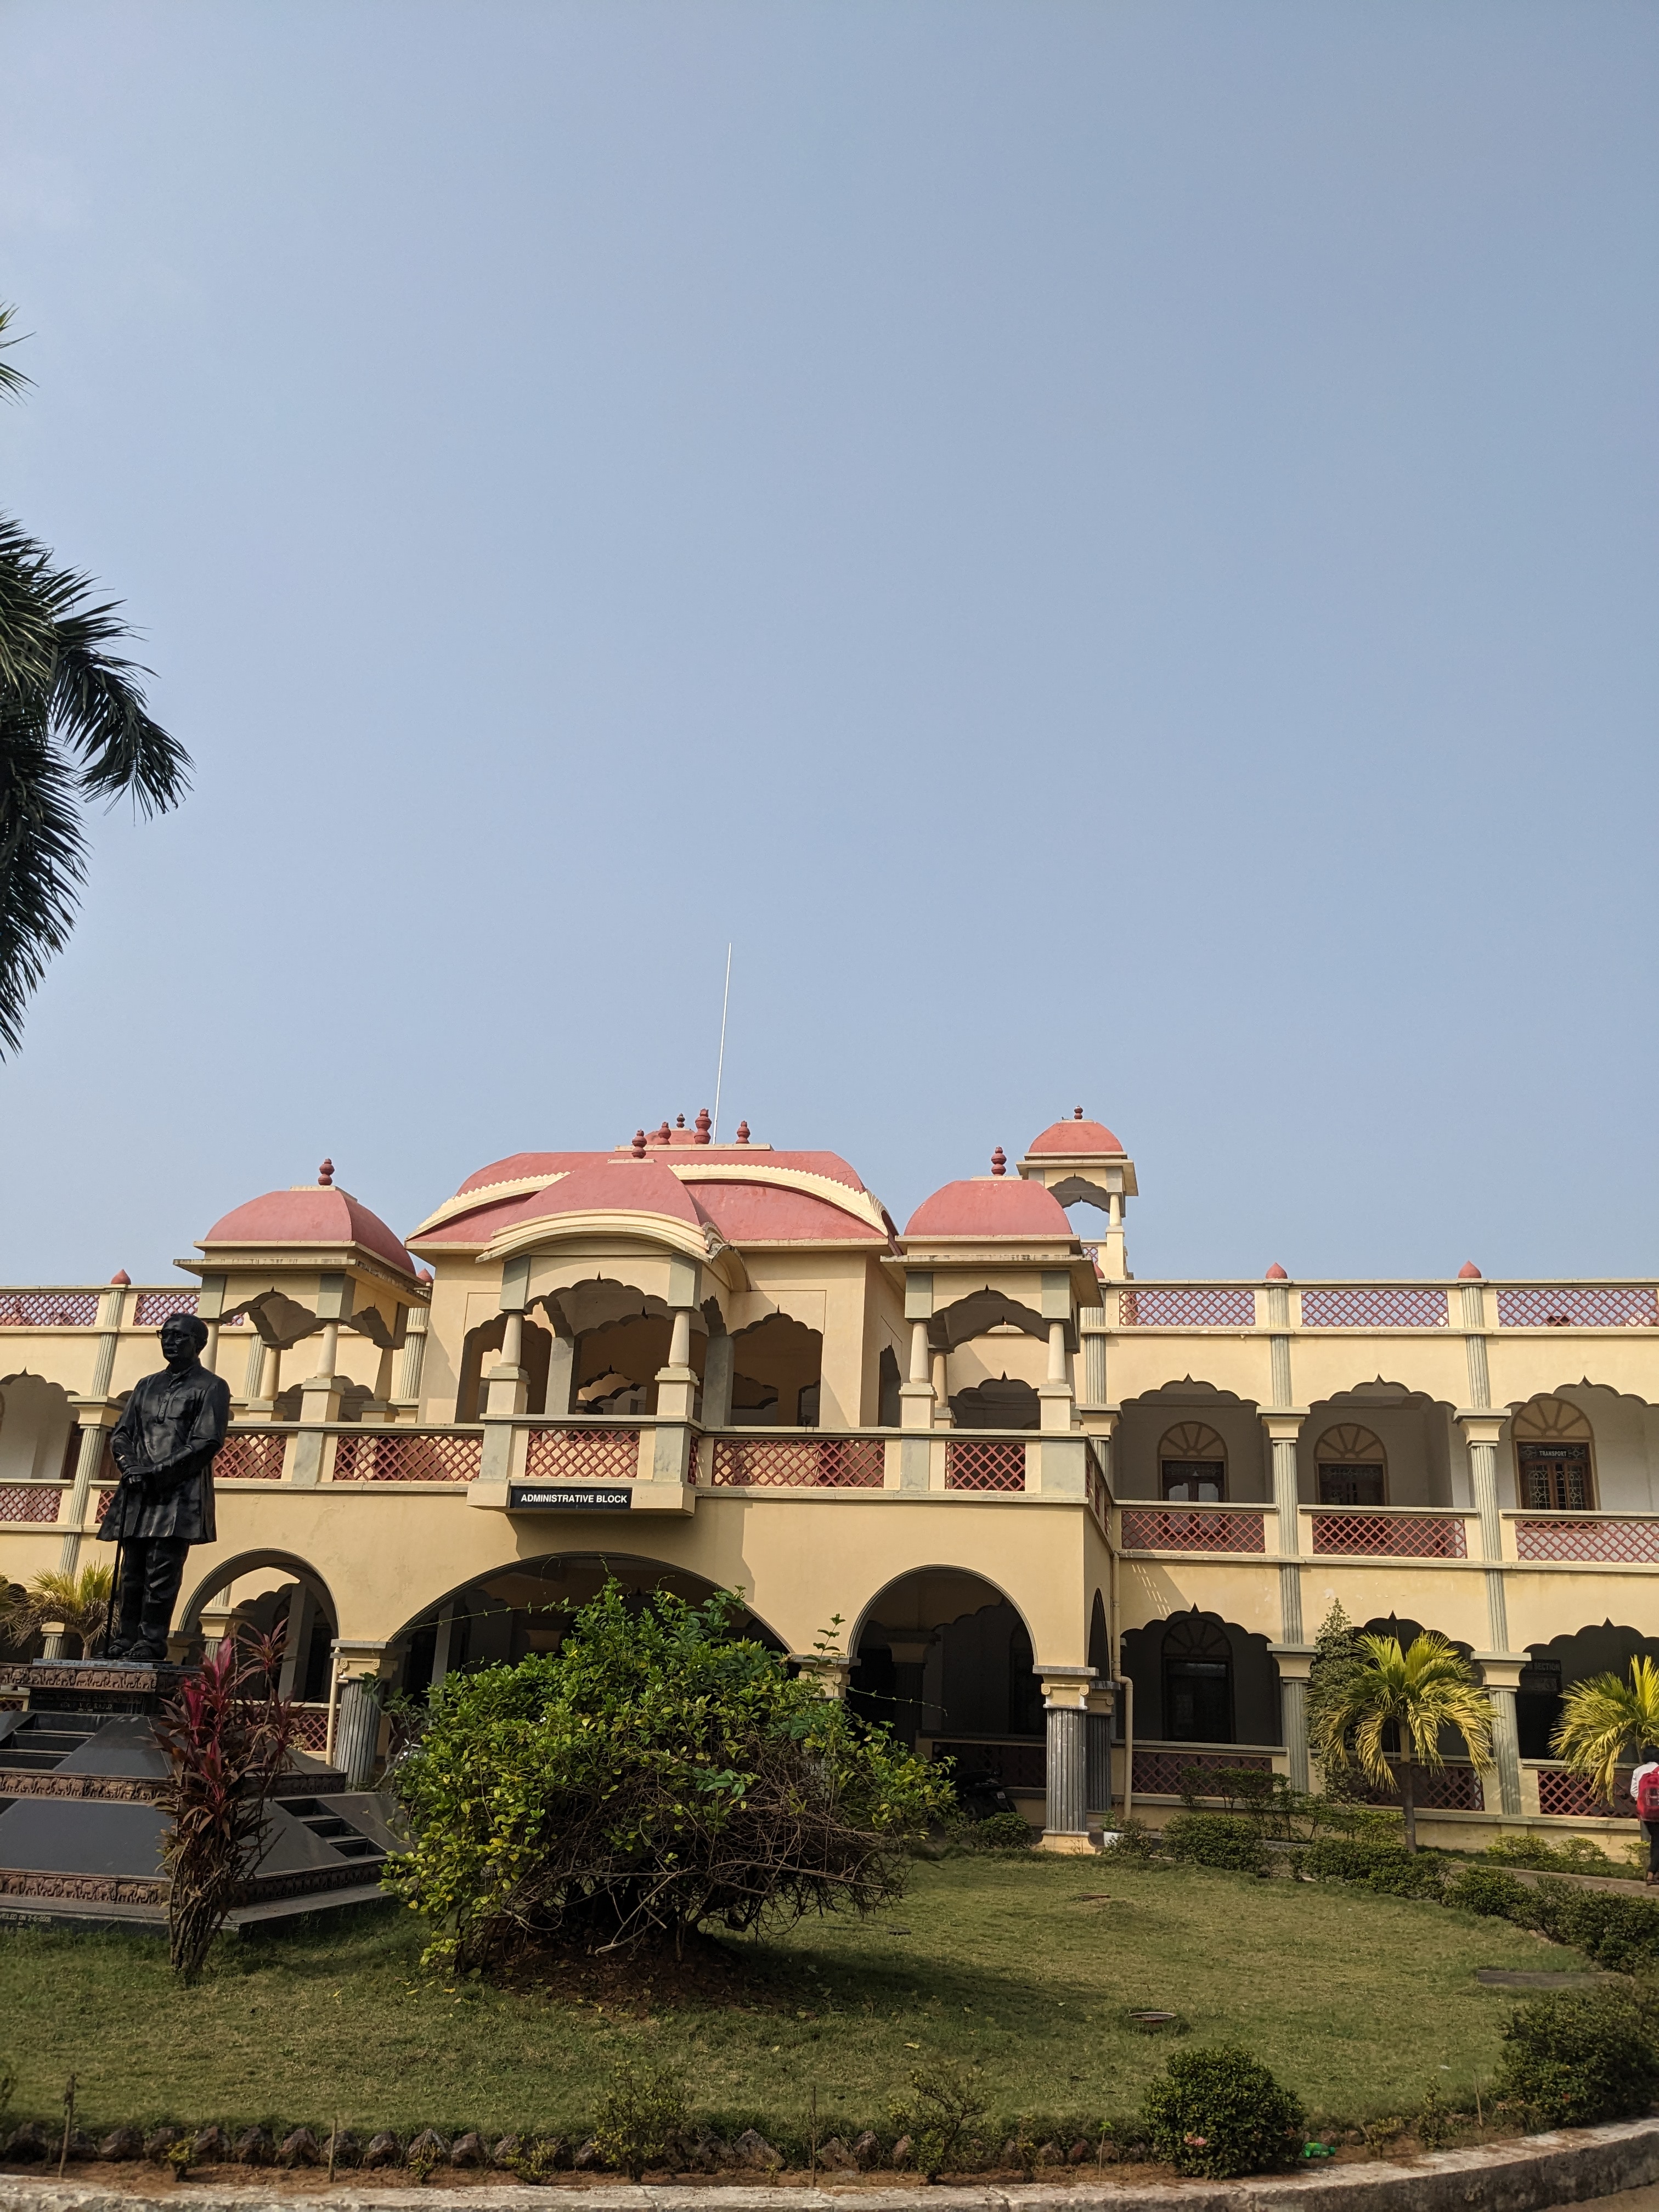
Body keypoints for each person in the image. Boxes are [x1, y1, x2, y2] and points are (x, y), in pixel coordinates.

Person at [100, 1312, 230, 1663]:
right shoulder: (146, 1385)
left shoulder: (211, 1386)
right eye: (165, 1335)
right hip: (138, 1490)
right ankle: (125, 1638)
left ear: (199, 1343)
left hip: (178, 1494)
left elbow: (206, 1441)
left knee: (162, 1573)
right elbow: (122, 1433)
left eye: (179, 1336)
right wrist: (130, 1467)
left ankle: (151, 1641)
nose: (170, 1342)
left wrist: (157, 1473)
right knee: (131, 1574)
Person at [1631, 1751, 1659, 1884]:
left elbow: (1634, 1792)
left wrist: (1645, 1804)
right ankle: (1651, 1873)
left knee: (1656, 1841)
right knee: (1657, 1842)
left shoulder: (1638, 1770)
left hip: (1646, 1814)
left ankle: (1655, 1874)